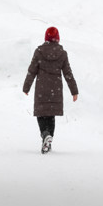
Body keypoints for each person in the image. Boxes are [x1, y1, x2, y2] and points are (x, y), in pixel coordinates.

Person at [23, 26, 79, 154]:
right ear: (57, 38)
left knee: (41, 114)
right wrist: (74, 91)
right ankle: (49, 139)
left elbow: (32, 71)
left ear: (46, 38)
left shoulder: (39, 51)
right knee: (51, 116)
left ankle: (45, 134)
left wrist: (26, 87)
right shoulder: (62, 54)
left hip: (42, 90)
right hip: (55, 90)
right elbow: (68, 73)